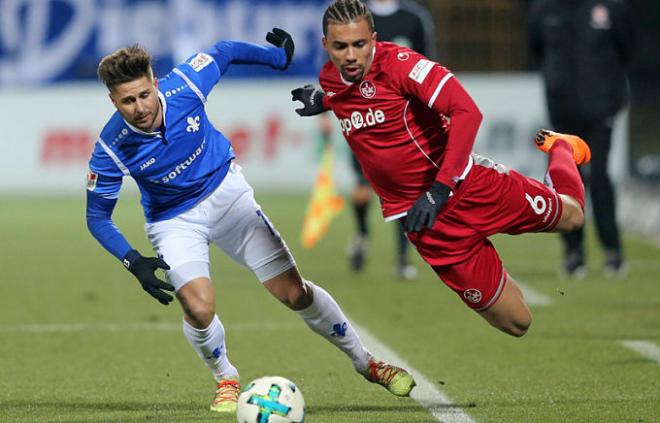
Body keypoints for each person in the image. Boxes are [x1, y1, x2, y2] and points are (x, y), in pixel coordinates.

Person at [85, 29, 415, 415]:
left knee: (294, 293)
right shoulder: (111, 145)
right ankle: (225, 378)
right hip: (174, 221)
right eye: (128, 101)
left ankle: (368, 363)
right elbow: (97, 216)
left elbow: (223, 52)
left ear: (155, 83)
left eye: (144, 94)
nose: (140, 107)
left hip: (227, 196)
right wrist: (133, 260)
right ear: (113, 101)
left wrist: (275, 59)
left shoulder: (185, 85)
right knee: (198, 306)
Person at [292, 0, 590, 338]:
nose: (350, 55)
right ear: (324, 45)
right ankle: (486, 254)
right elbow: (353, 96)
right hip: (428, 223)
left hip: (467, 188)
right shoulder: (330, 78)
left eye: (359, 44)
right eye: (340, 46)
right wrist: (325, 102)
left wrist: (440, 188)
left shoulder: (403, 65)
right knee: (516, 322)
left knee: (573, 217)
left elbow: (467, 111)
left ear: (373, 39)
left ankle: (562, 148)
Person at [528, 0, 635, 278]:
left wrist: (611, 91)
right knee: (568, 181)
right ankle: (573, 254)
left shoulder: (612, 7)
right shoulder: (545, 9)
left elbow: (628, 49)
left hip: (601, 108)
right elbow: (537, 50)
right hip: (562, 111)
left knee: (599, 176)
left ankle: (612, 252)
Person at [345, 0, 436, 280]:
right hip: (364, 118)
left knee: (403, 190)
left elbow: (428, 67)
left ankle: (402, 258)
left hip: (403, 119)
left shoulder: (414, 19)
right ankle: (362, 233)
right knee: (362, 191)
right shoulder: (354, 18)